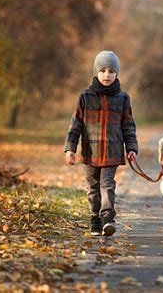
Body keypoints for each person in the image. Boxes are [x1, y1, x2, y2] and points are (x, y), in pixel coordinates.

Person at [64, 50, 138, 236]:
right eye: (103, 70)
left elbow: (129, 126)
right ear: (97, 72)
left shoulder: (123, 98)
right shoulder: (85, 96)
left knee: (107, 185)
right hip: (90, 152)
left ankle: (107, 219)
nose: (107, 75)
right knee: (92, 188)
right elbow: (76, 124)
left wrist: (131, 148)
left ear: (117, 73)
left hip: (112, 152)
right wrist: (70, 148)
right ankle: (95, 219)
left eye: (111, 71)